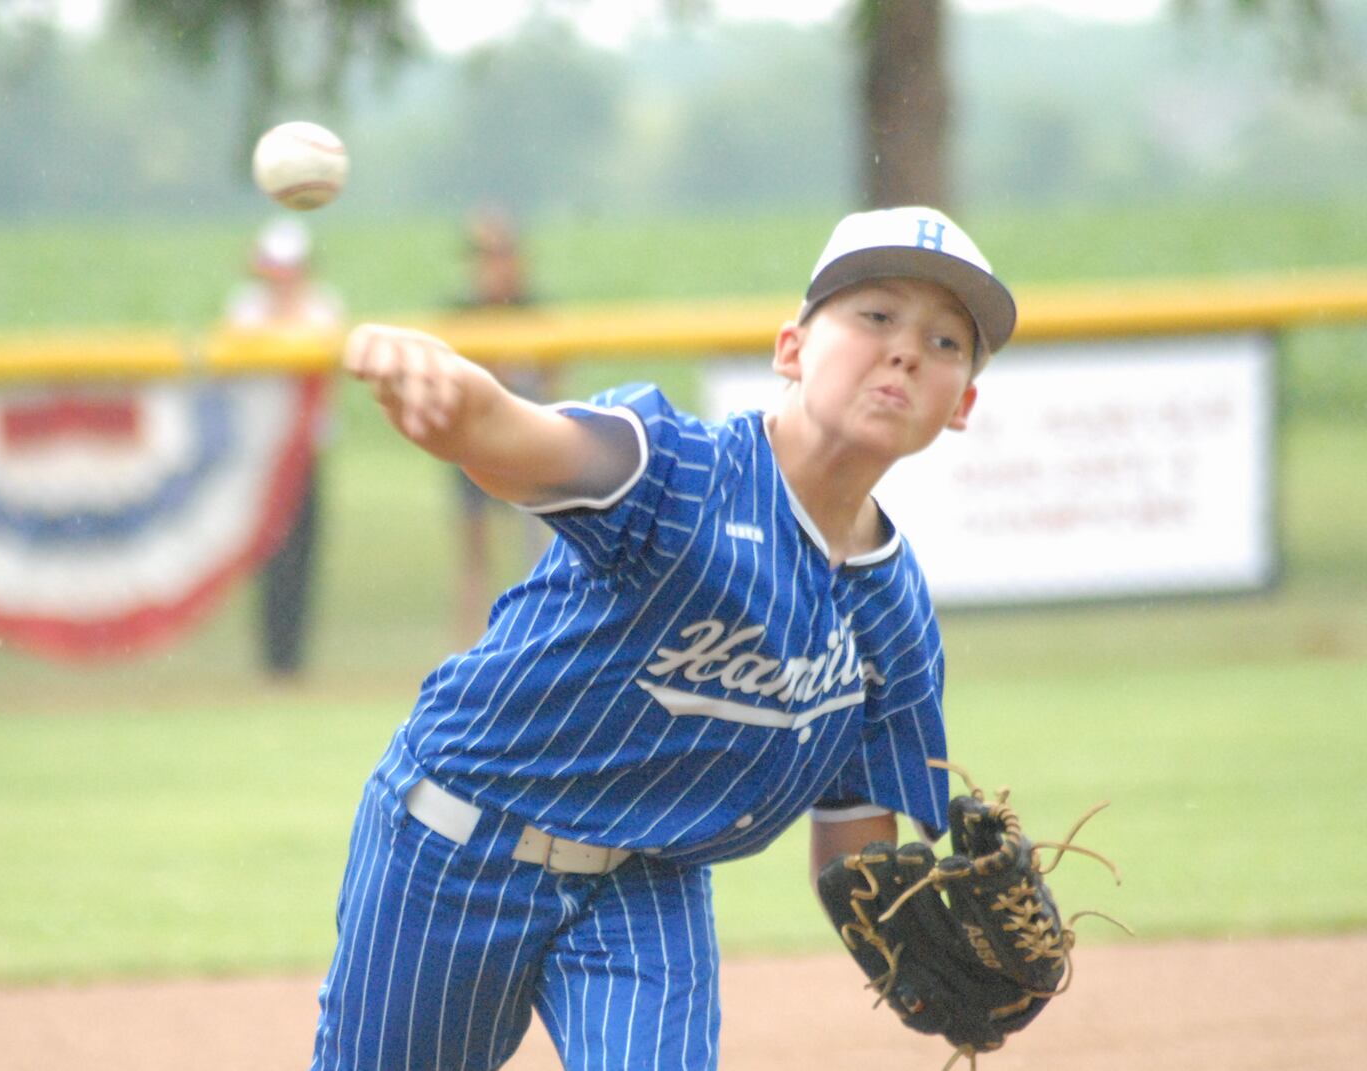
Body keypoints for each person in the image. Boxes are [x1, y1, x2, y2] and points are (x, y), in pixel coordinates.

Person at [311, 206, 1018, 1071]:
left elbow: (855, 851)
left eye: (948, 342)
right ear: (791, 348)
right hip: (460, 844)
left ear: (964, 404)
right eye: (876, 316)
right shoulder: (680, 473)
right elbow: (518, 440)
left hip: (647, 878)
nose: (908, 350)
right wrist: (453, 398)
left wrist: (929, 948)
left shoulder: (893, 617)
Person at [224, 217, 346, 677]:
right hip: (263, 453)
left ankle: (294, 656)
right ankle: (271, 656)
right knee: (268, 553)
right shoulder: (246, 308)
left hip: (307, 451)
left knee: (303, 551)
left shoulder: (322, 306)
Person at [449, 207, 558, 643]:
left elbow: (554, 378)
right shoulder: (461, 313)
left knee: (537, 548)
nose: (490, 265)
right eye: (482, 256)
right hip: (471, 442)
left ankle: (537, 639)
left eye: (498, 254)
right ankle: (468, 646)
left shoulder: (532, 310)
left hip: (526, 440)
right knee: (474, 552)